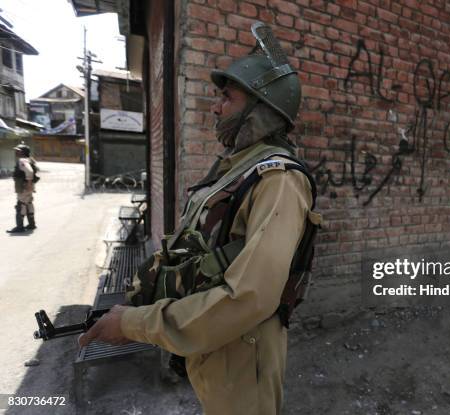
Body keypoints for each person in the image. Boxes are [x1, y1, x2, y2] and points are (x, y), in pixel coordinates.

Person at [78, 22, 320, 414]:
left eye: (227, 97)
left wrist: (134, 324)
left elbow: (250, 298)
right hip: (212, 342)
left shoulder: (280, 180)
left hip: (243, 356)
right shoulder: (237, 168)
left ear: (260, 109)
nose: (216, 106)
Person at [7, 143, 37, 233]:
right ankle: (32, 224)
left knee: (21, 205)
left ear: (23, 152)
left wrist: (28, 182)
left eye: (18, 151)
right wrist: (30, 183)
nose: (16, 152)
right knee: (29, 203)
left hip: (24, 186)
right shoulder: (30, 159)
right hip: (28, 185)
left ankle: (20, 227)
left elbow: (30, 171)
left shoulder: (22, 160)